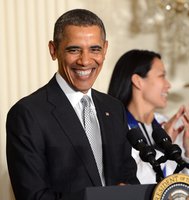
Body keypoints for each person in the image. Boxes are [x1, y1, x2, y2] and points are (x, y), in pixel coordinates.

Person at [6, 9, 139, 200]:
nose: (85, 61)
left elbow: (129, 179)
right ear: (53, 50)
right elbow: (32, 196)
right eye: (74, 49)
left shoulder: (114, 108)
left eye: (95, 49)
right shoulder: (28, 114)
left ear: (105, 49)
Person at [108, 49, 189, 184]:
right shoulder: (114, 128)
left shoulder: (171, 125)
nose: (168, 85)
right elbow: (128, 184)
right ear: (138, 81)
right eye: (161, 76)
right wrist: (161, 150)